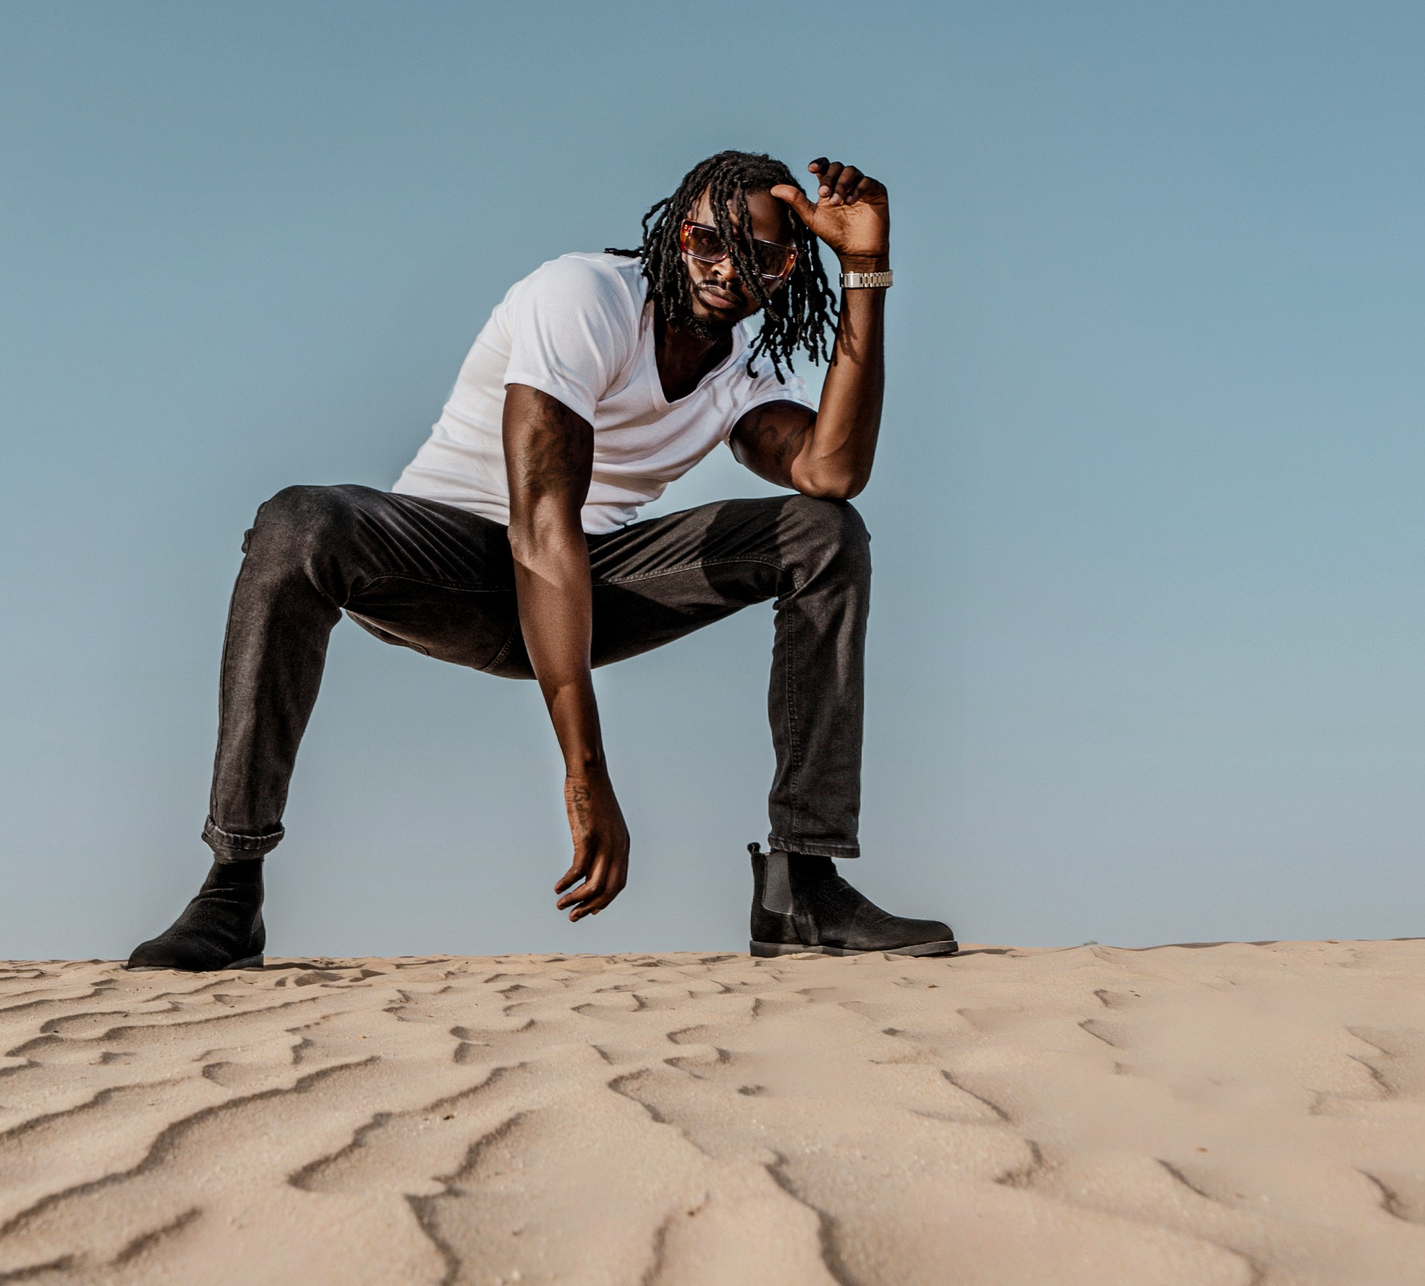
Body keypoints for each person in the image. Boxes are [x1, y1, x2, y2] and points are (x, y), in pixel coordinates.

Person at [127, 151, 954, 970]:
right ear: (677, 232)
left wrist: (866, 271)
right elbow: (539, 525)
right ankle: (232, 884)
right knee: (294, 523)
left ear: (786, 271)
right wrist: (585, 773)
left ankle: (802, 885)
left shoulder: (746, 368)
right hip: (447, 565)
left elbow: (832, 470)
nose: (727, 269)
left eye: (760, 257)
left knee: (825, 534)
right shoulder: (585, 296)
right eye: (709, 241)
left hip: (585, 591)